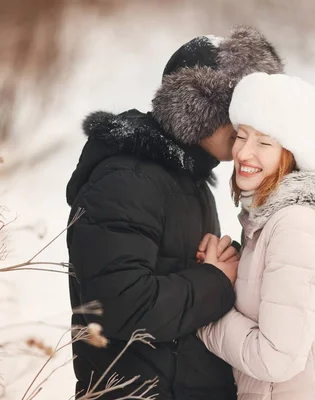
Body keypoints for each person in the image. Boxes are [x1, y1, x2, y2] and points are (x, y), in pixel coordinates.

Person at [65, 27, 284, 399]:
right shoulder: (129, 178)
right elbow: (117, 305)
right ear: (200, 109)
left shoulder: (186, 177)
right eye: (236, 111)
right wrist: (214, 280)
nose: (247, 125)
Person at [197, 72, 315, 400]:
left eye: (264, 142)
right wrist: (223, 280)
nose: (245, 153)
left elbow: (275, 359)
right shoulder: (269, 221)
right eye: (242, 136)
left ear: (293, 152)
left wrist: (203, 310)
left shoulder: (296, 226)